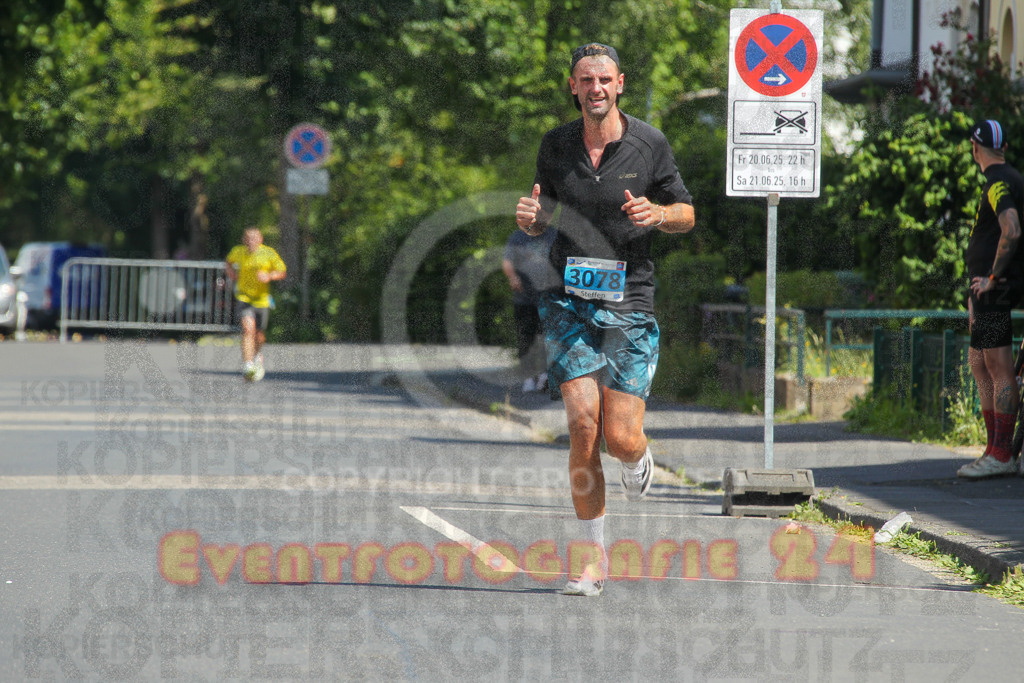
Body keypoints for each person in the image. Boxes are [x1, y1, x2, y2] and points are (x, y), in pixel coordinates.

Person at [514, 43, 695, 595]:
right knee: (583, 426)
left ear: (620, 84)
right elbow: (543, 213)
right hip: (566, 297)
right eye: (585, 80)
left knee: (620, 436)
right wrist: (530, 220)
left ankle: (637, 457)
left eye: (604, 79)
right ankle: (591, 561)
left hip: (628, 300)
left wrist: (658, 213)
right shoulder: (556, 145)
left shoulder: (649, 143)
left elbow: (687, 213)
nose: (595, 88)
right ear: (573, 87)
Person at [958, 119, 1024, 479]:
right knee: (978, 362)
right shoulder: (1006, 178)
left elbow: (1011, 228)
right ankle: (992, 448)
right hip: (985, 291)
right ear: (1004, 149)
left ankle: (1001, 454)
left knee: (999, 367)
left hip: (996, 289)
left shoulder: (998, 182)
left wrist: (993, 278)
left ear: (974, 148)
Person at [225, 227, 287, 382]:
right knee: (248, 330)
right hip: (244, 297)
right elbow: (228, 262)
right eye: (248, 238)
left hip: (262, 300)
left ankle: (257, 354)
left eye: (254, 238)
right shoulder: (238, 251)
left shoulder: (268, 253)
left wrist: (269, 276)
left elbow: (282, 271)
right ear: (244, 240)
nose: (251, 241)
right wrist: (231, 272)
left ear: (260, 240)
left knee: (259, 335)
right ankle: (248, 364)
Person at [502, 227, 557, 393]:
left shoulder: (553, 235)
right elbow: (507, 261)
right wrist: (512, 277)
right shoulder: (518, 237)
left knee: (547, 336)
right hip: (524, 297)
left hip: (548, 296)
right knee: (525, 337)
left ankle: (545, 375)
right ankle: (528, 376)